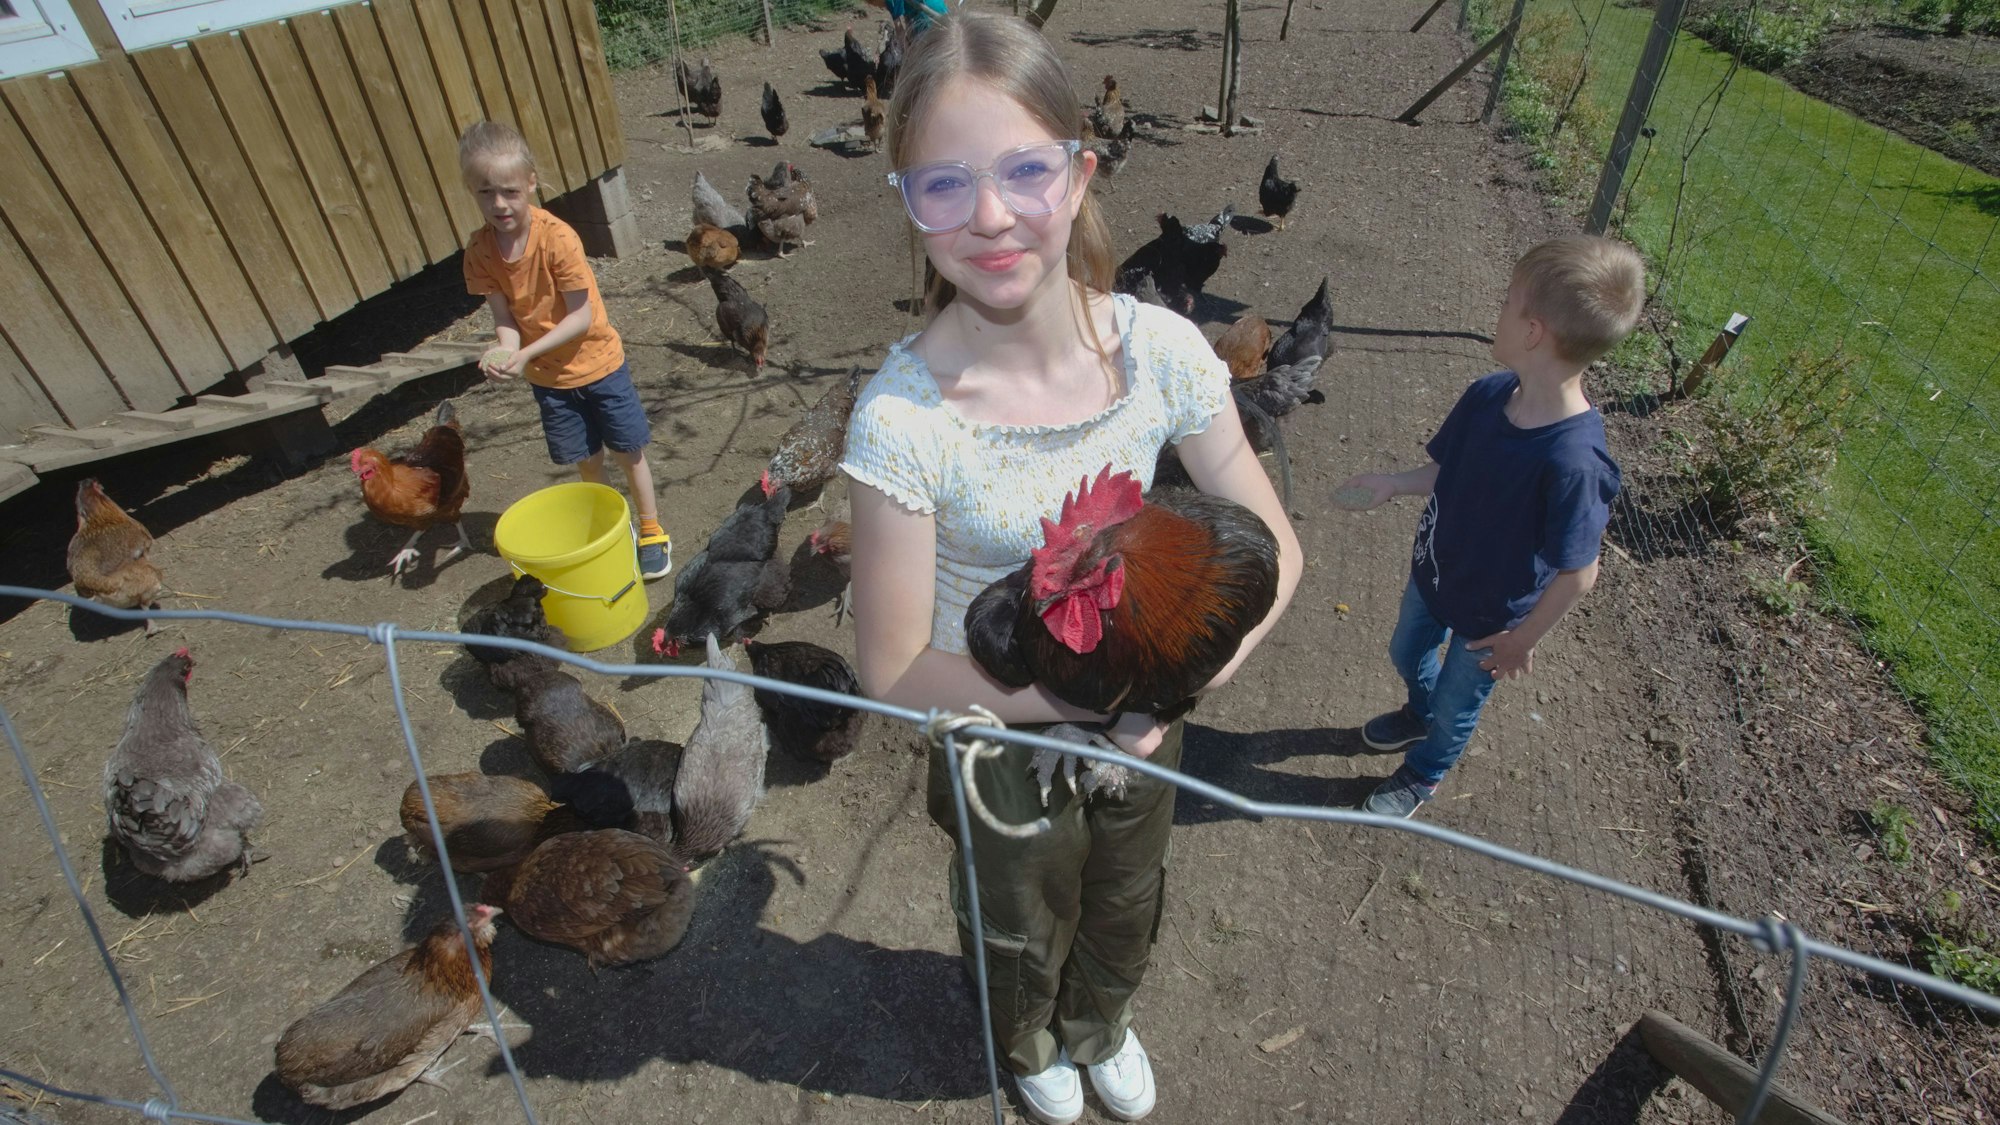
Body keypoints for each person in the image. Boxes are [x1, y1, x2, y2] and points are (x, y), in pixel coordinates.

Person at [837, 14, 1299, 1124]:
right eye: (943, 184)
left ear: (1080, 174)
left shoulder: (1161, 353)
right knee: (1013, 912)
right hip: (993, 726)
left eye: (1024, 170)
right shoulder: (903, 420)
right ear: (906, 200)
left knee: (1128, 891)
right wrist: (1083, 700)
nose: (990, 215)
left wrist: (1170, 694)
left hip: (1143, 709)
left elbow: (1277, 549)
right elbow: (893, 669)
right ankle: (1028, 1035)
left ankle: (1099, 1024)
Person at [1336, 234, 1641, 819]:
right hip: (1436, 572)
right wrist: (1397, 483)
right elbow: (1447, 468)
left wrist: (1522, 639)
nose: (1497, 310)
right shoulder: (1488, 394)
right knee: (1406, 652)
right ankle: (1415, 712)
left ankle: (1425, 771)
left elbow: (1579, 572)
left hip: (1493, 619)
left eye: (1507, 301)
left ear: (1533, 333)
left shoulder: (1575, 462)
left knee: (1458, 704)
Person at [458, 122, 671, 580]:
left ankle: (651, 529)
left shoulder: (557, 238)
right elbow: (504, 318)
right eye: (485, 192)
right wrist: (506, 351)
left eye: (510, 191)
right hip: (549, 381)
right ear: (471, 192)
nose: (499, 204)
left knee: (628, 451)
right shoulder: (479, 252)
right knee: (586, 460)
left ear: (531, 182)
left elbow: (582, 317)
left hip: (600, 366)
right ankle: (612, 530)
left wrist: (527, 350)